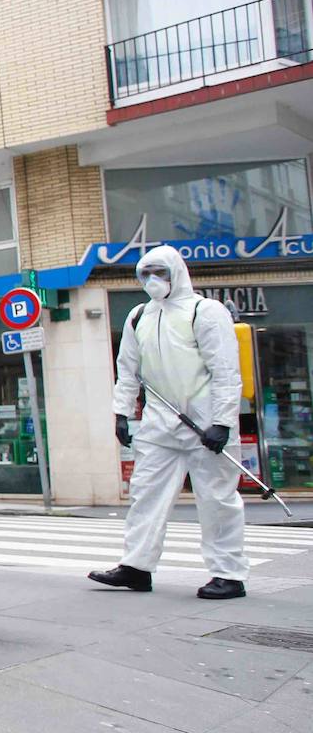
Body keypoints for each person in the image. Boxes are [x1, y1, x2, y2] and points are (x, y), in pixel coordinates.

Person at [90, 245, 248, 599]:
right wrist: (121, 412)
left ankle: (229, 573)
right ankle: (136, 566)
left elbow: (225, 372)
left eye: (159, 272)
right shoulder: (139, 317)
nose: (151, 281)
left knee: (216, 498)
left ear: (176, 272)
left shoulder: (205, 312)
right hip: (160, 425)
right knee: (145, 494)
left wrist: (222, 421)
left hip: (206, 424)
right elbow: (128, 370)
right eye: (145, 274)